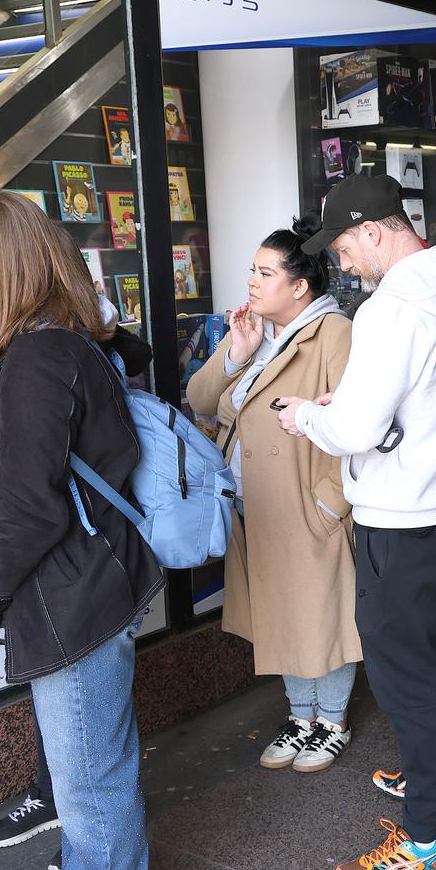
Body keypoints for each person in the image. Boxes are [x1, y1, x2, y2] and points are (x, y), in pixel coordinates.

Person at [0, 190, 163, 870]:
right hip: (89, 583)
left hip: (68, 596)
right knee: (87, 765)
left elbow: (31, 508)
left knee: (89, 772)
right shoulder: (57, 343)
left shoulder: (38, 358)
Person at [276, 173, 436, 870]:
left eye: (341, 247)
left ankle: (424, 842)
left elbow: (357, 430)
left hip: (397, 516)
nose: (341, 263)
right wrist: (355, 404)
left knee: (407, 679)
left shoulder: (390, 311)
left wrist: (307, 416)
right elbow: (427, 399)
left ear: (373, 229)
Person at [187, 217, 359, 774]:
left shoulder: (333, 333)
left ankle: (330, 719)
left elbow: (359, 424)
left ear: (300, 286)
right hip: (257, 504)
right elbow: (201, 400)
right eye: (252, 271)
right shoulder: (258, 335)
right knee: (284, 612)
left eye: (265, 273)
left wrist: (331, 503)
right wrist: (236, 353)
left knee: (322, 613)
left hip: (307, 502)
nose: (253, 283)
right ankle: (300, 715)